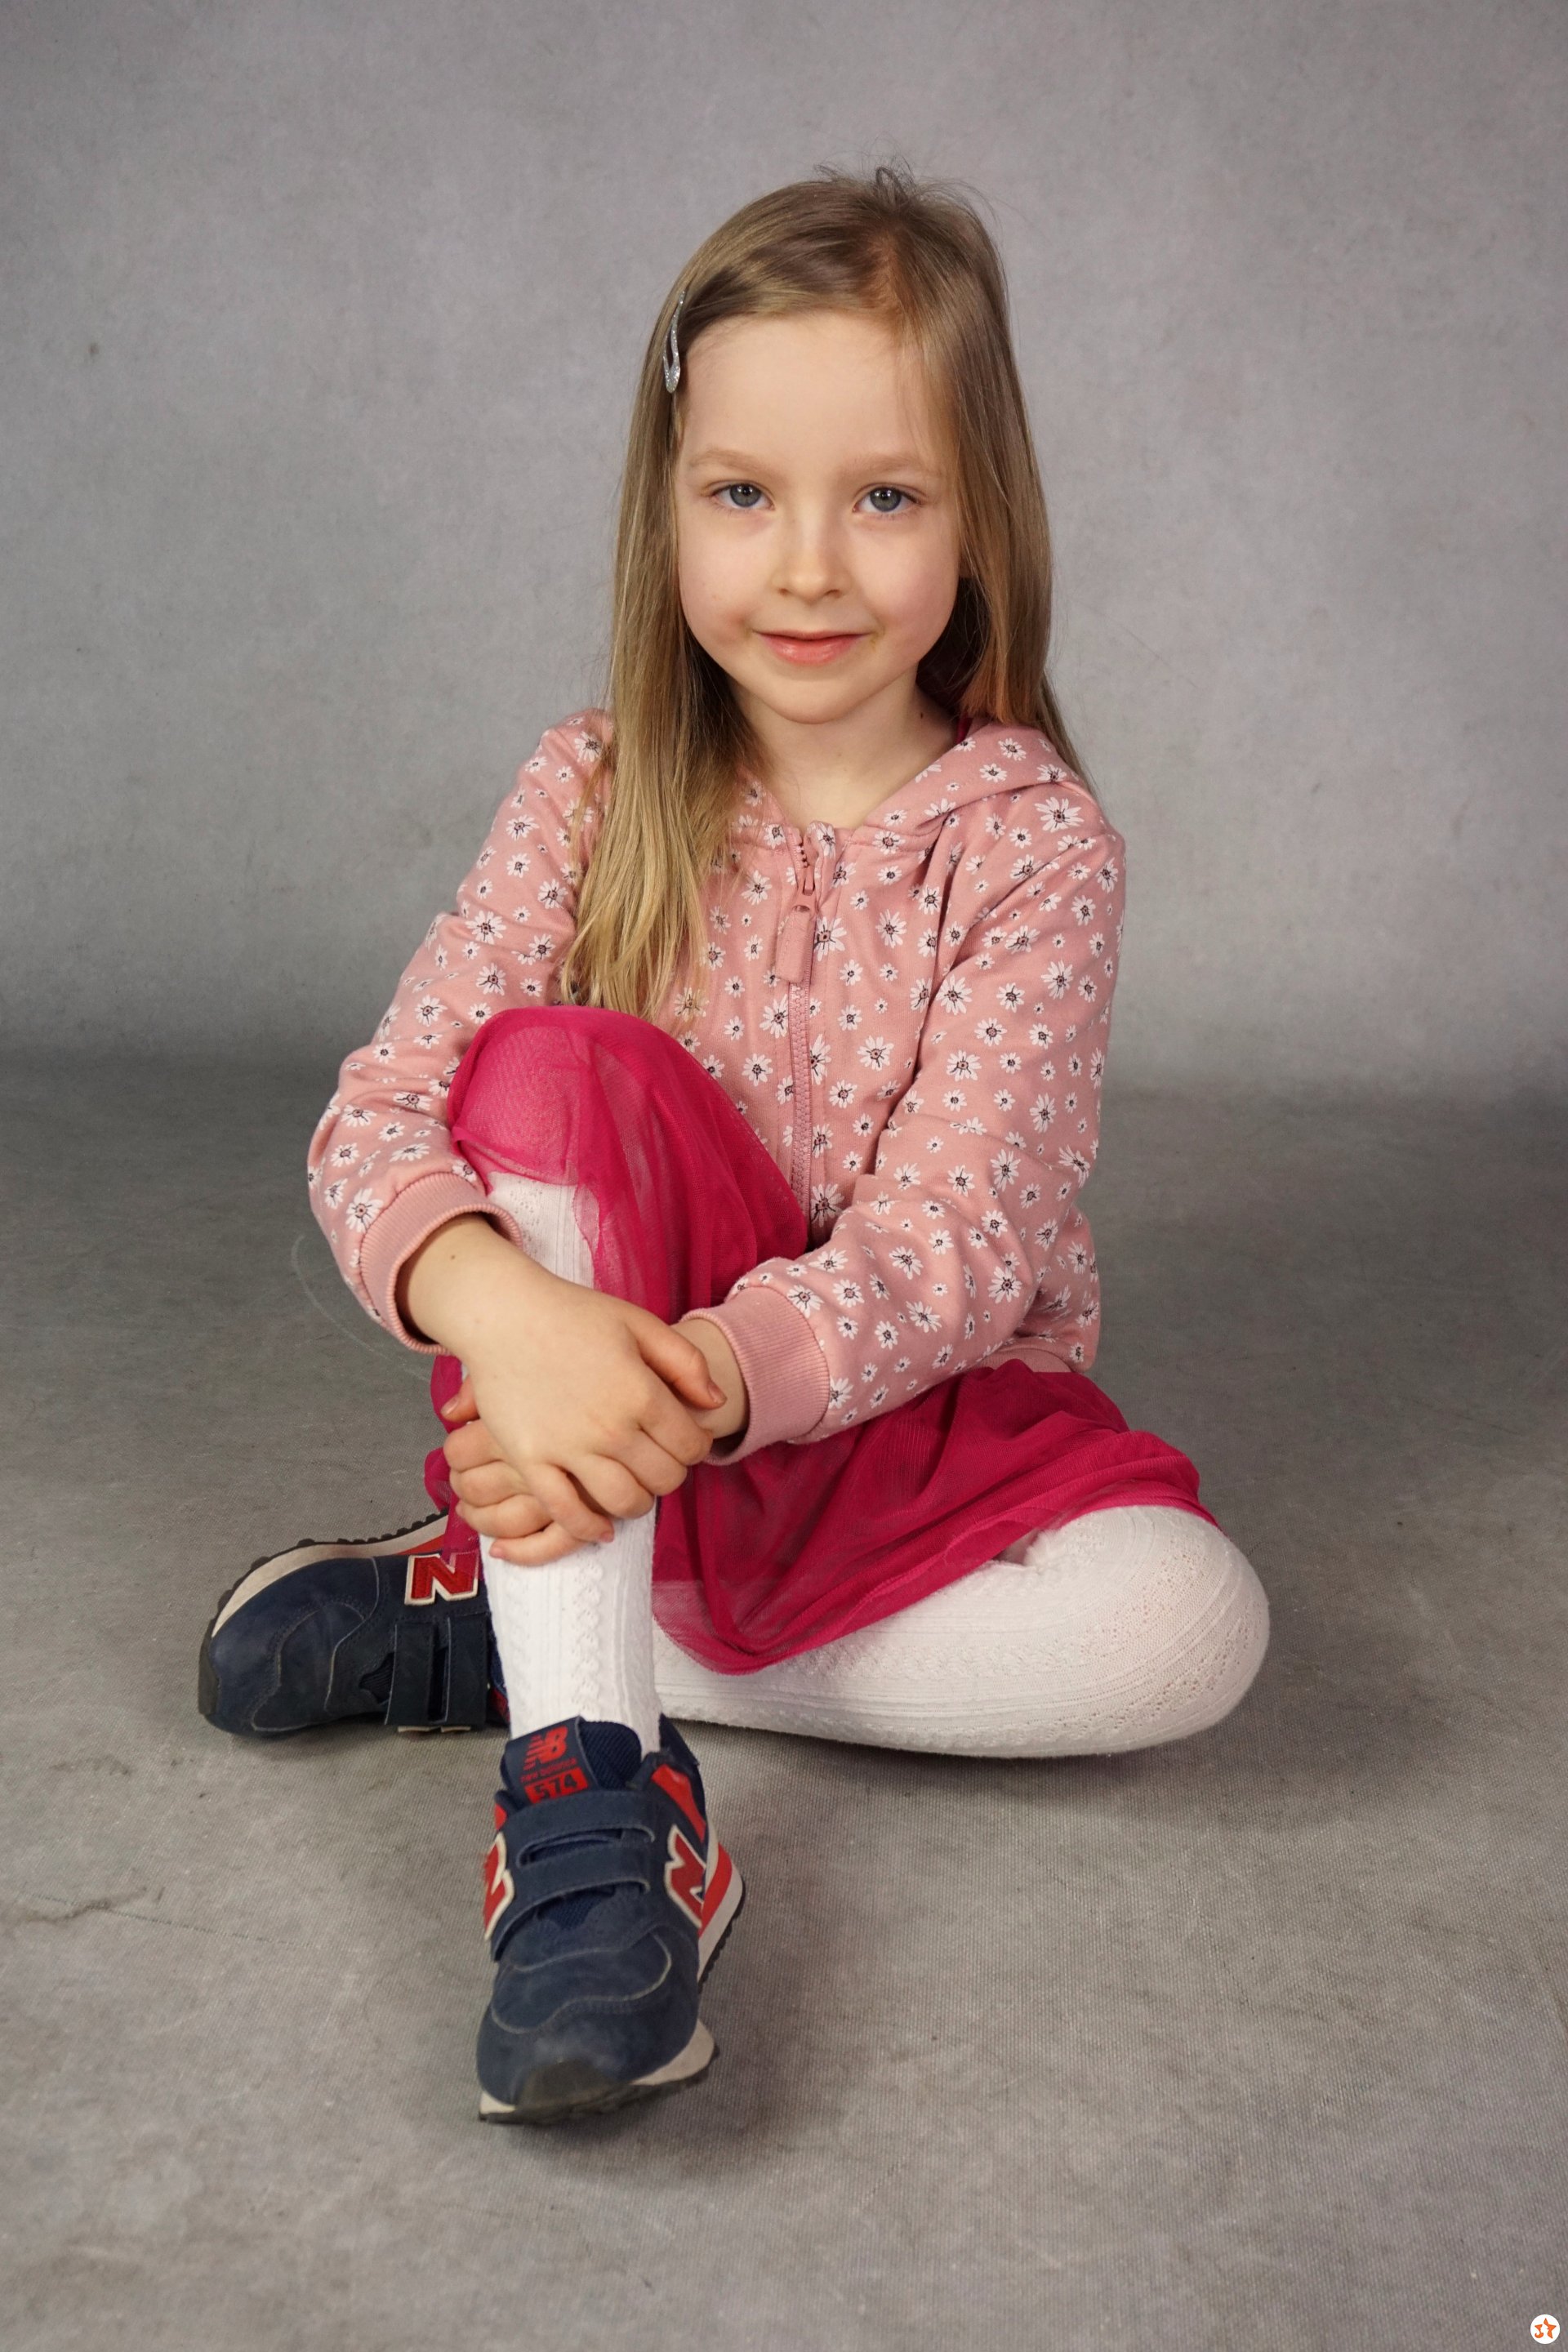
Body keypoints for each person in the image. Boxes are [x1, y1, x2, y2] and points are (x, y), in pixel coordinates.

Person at [198, 162, 1270, 2127]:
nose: (810, 568)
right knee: (544, 1068)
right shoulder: (593, 792)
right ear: (670, 505)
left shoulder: (1028, 846)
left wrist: (684, 1387)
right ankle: (600, 1804)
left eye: (888, 497)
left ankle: (522, 1611)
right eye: (745, 494)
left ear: (981, 515)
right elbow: (380, 1120)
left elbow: (962, 1234)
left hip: (886, 1428)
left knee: (1187, 1632)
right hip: (591, 1405)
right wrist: (512, 1321)